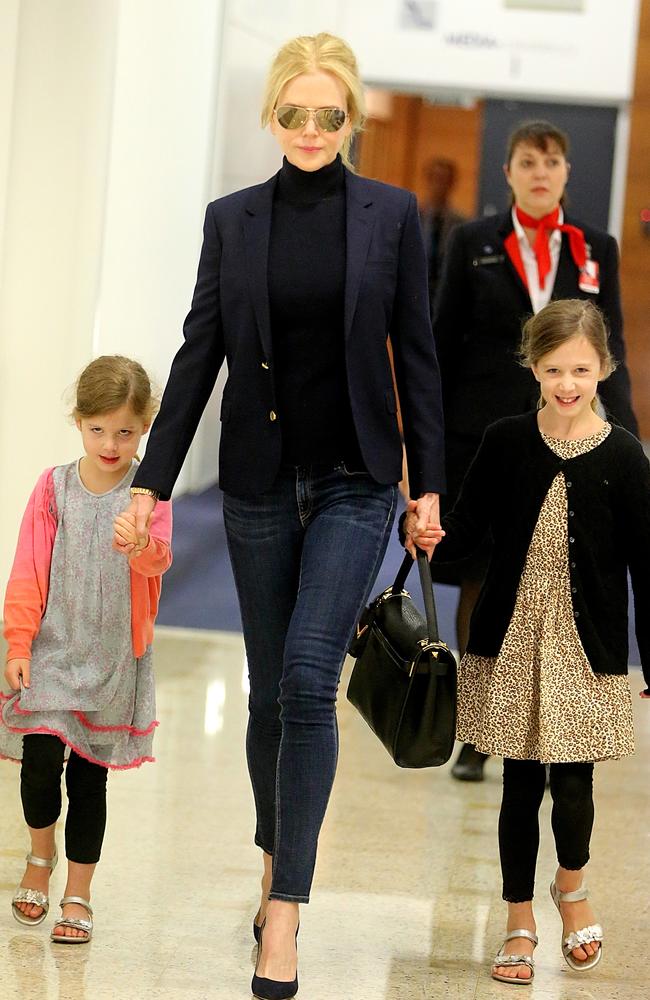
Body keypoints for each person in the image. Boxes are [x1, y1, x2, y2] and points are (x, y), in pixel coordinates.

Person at [118, 31, 444, 1000]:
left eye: (327, 115)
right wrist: (151, 479)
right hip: (258, 482)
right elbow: (197, 355)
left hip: (353, 480)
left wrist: (425, 484)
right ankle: (274, 861)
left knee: (307, 678)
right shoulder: (233, 220)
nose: (309, 129)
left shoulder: (390, 216)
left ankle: (286, 913)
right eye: (292, 113)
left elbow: (415, 356)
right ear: (272, 115)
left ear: (351, 117)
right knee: (267, 693)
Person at [404, 298, 650, 984]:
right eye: (552, 369)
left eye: (580, 369)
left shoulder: (626, 456)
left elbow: (646, 567)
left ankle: (571, 889)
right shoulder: (506, 440)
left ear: (604, 366)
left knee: (573, 785)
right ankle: (518, 917)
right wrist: (429, 540)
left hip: (586, 649)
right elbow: (468, 533)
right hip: (510, 643)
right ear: (532, 368)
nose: (567, 384)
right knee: (518, 783)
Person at [432, 119, 639, 781]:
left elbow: (614, 351)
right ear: (510, 171)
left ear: (567, 172)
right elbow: (439, 346)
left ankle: (553, 716)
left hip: (572, 439)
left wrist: (630, 434)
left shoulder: (595, 247)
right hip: (484, 436)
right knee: (482, 578)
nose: (540, 172)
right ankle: (477, 728)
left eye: (551, 161)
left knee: (556, 578)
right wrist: (425, 444)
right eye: (528, 161)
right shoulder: (472, 243)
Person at [0, 356, 172, 944]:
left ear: (145, 425)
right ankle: (39, 857)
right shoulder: (53, 487)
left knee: (90, 782)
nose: (110, 442)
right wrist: (18, 642)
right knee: (42, 763)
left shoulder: (150, 496)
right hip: (51, 648)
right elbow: (26, 570)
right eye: (98, 429)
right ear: (79, 422)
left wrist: (141, 543)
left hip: (110, 661)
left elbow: (158, 566)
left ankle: (79, 890)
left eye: (125, 430)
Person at [418, 157, 466, 312]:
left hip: (445, 296)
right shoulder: (413, 218)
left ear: (451, 183)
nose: (439, 185)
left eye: (444, 179)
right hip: (416, 293)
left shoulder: (461, 224)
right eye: (436, 178)